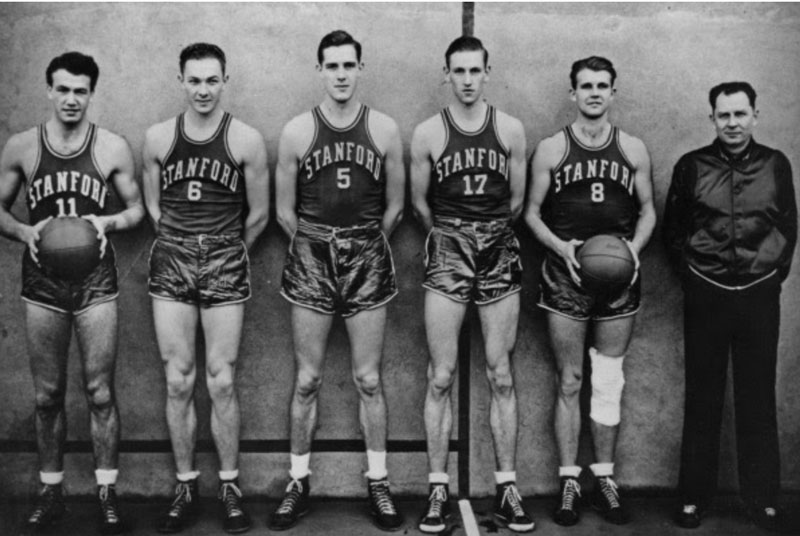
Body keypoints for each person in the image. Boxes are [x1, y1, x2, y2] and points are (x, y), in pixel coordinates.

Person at [0, 51, 144, 535]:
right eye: (62, 89)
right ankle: (51, 492)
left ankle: (107, 493)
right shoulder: (23, 147)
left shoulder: (111, 147)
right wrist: (24, 231)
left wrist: (108, 222)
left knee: (100, 392)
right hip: (42, 280)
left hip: (95, 280)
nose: (71, 99)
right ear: (49, 90)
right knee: (47, 396)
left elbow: (137, 210)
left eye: (80, 91)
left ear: (91, 94)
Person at [268, 30, 405, 532]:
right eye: (333, 66)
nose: (341, 74)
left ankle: (378, 482)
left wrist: (360, 244)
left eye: (349, 65)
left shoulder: (384, 129)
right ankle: (297, 482)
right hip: (311, 253)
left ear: (360, 68)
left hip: (367, 251)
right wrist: (320, 246)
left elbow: (395, 206)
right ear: (320, 70)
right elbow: (284, 212)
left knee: (368, 379)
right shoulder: (297, 131)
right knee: (307, 379)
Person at [142, 42, 269, 534]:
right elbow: (154, 207)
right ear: (181, 81)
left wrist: (225, 251)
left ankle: (230, 487)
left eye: (212, 80)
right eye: (194, 80)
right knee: (178, 379)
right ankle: (185, 486)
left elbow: (258, 215)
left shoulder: (245, 139)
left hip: (225, 256)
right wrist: (180, 242)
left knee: (221, 379)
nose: (202, 89)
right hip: (172, 256)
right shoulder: (158, 138)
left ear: (224, 81)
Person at [524, 56, 655, 527]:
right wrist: (561, 247)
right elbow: (531, 212)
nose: (594, 92)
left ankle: (604, 479)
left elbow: (648, 210)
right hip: (567, 274)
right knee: (570, 379)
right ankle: (568, 481)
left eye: (602, 85)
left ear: (613, 92)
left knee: (608, 379)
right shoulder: (552, 149)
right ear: (573, 93)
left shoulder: (633, 148)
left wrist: (634, 250)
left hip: (620, 277)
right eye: (586, 85)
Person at [410, 36, 533, 534]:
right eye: (458, 71)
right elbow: (420, 204)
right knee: (441, 375)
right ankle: (438, 488)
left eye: (474, 70)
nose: (466, 80)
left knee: (500, 373)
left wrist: (488, 234)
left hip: (498, 243)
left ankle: (507, 487)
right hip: (448, 243)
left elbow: (516, 202)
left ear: (487, 72)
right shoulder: (428, 133)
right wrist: (452, 236)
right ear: (447, 74)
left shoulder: (510, 129)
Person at [663, 82, 797, 533]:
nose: (733, 123)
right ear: (712, 119)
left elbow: (788, 224)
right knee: (703, 396)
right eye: (724, 115)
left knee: (757, 397)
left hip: (759, 294)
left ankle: (762, 500)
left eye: (741, 114)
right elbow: (673, 230)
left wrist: (772, 273)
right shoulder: (692, 166)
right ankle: (692, 498)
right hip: (707, 292)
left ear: (755, 115)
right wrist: (694, 277)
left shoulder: (775, 164)